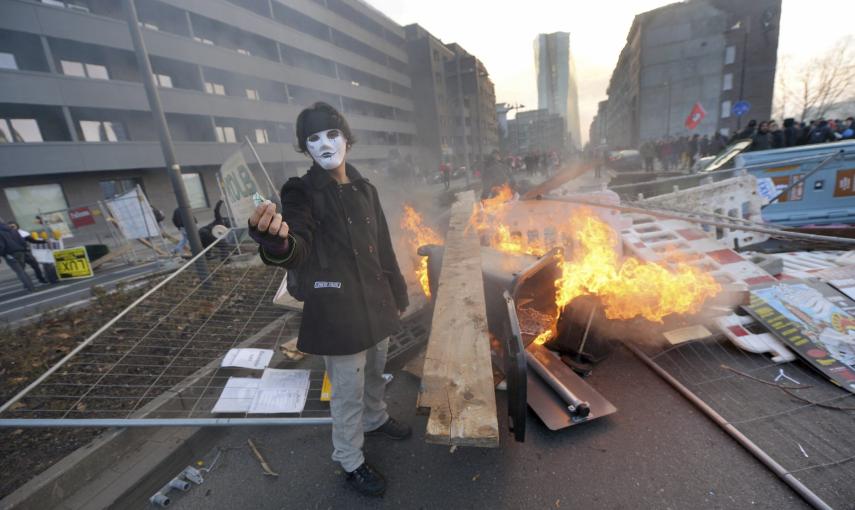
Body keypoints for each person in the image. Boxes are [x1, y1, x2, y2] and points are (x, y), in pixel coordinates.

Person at [248, 102, 410, 497]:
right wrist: (277, 242)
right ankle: (350, 459)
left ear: (347, 139)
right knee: (347, 391)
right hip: (337, 312)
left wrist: (398, 289)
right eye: (313, 138)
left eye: (331, 134)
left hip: (375, 301)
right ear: (305, 148)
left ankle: (376, 418)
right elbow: (297, 244)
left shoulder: (364, 187)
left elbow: (383, 247)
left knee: (375, 371)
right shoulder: (300, 191)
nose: (324, 143)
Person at [0, 221, 35, 292]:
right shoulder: (13, 229)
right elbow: (22, 241)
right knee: (22, 270)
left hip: (9, 254)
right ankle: (28, 285)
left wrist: (2, 254)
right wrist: (24, 249)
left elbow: (1, 246)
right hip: (20, 252)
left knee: (20, 271)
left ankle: (30, 287)